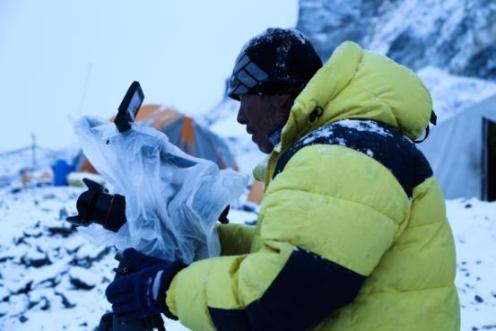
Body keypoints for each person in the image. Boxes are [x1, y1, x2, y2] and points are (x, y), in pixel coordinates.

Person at [105, 28, 460, 330]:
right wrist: (170, 229)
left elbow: (281, 298)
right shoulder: (349, 143)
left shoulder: (341, 155)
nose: (241, 116)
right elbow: (287, 254)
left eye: (245, 97)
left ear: (282, 94)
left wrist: (165, 289)